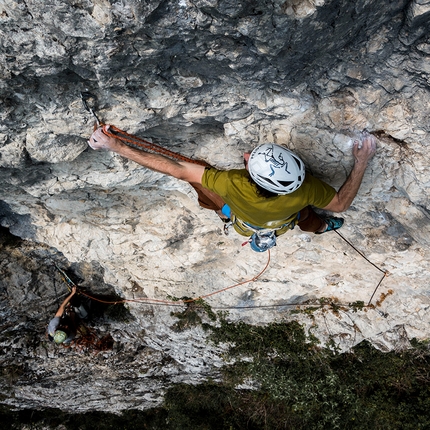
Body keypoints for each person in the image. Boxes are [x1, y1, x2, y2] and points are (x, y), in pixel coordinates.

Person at [88, 126, 376, 251]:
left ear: (251, 179)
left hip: (243, 221)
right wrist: (361, 161)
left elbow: (177, 169)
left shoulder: (232, 183)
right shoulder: (305, 191)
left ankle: (228, 217)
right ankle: (324, 227)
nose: (246, 157)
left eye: (249, 163)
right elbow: (340, 203)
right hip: (286, 219)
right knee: (308, 220)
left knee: (200, 180)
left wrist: (117, 146)